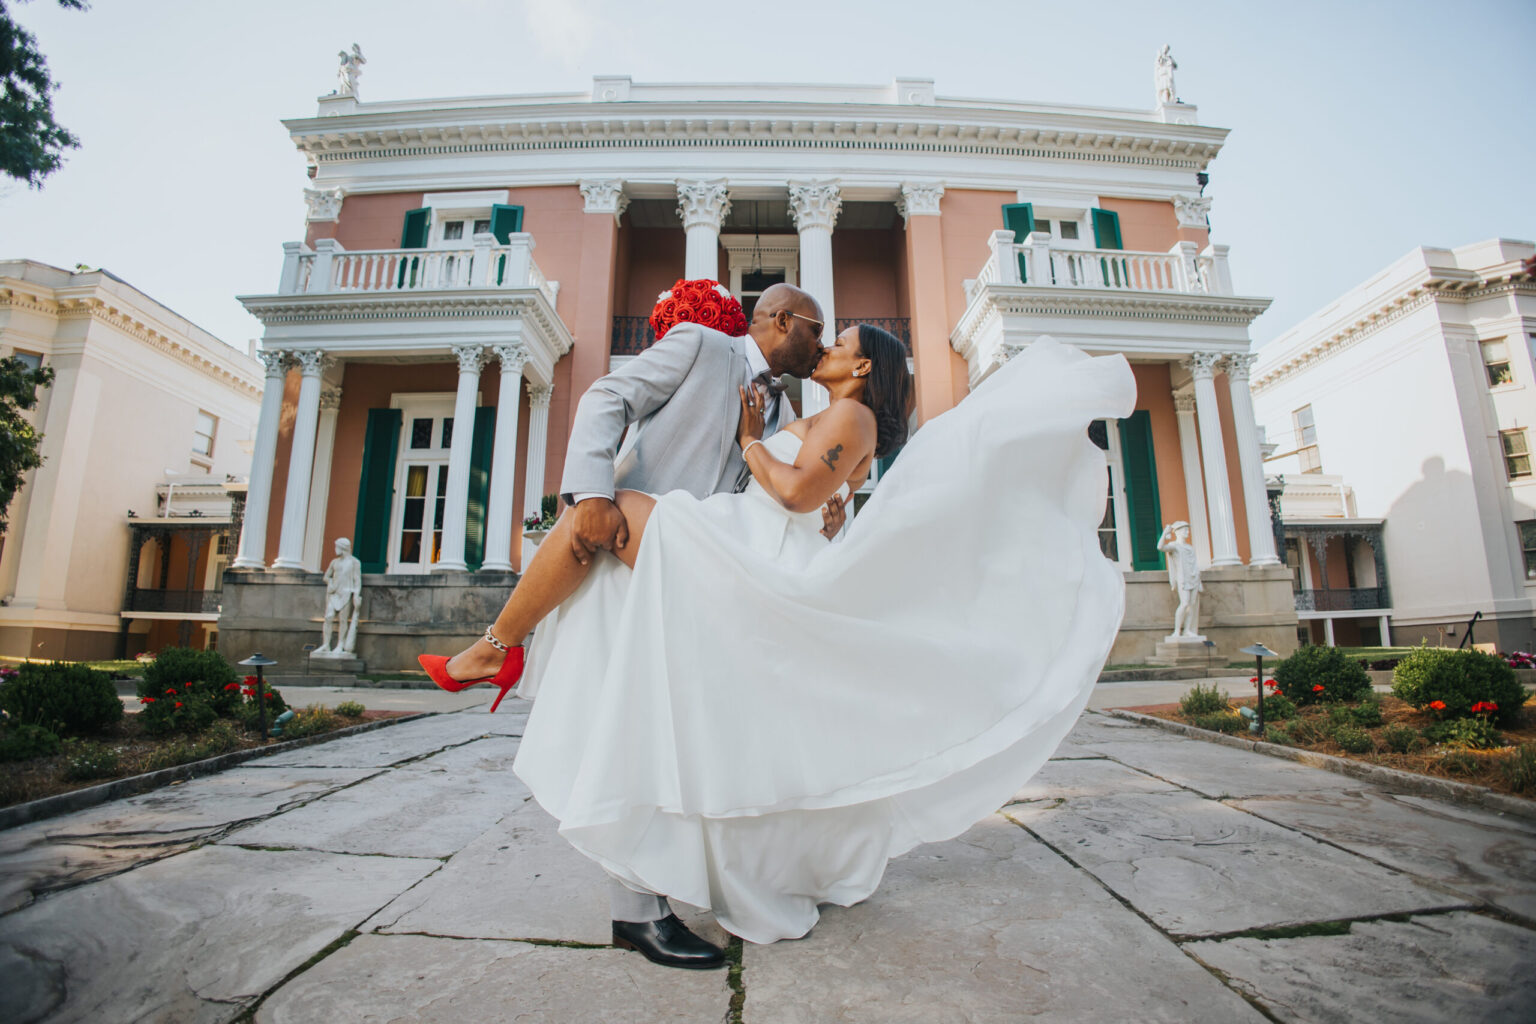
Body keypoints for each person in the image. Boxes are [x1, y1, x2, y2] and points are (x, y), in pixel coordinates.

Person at [422, 326, 1136, 960]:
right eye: (822, 334)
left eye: (842, 342)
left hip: (742, 544)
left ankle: (495, 648)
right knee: (603, 550)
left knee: (590, 520)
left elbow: (794, 495)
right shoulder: (822, 411)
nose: (827, 346)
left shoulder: (850, 414)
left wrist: (748, 441)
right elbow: (815, 496)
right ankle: (506, 657)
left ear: (861, 371)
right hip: (738, 535)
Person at [317, 537, 362, 655]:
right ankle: (326, 644)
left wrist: (356, 595)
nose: (335, 549)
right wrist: (330, 583)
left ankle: (340, 644)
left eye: (337, 547)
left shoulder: (354, 562)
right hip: (334, 593)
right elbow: (326, 576)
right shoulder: (334, 562)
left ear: (343, 548)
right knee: (328, 617)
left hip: (346, 593)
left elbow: (357, 580)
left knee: (343, 619)